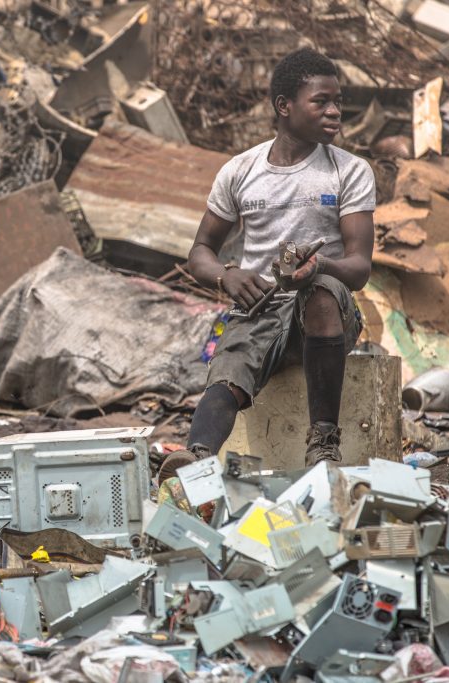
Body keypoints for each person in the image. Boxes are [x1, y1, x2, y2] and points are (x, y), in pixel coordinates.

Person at [159, 47, 376, 482]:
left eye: (338, 102)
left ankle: (323, 442)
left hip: (327, 310)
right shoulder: (240, 171)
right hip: (260, 308)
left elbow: (359, 268)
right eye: (321, 102)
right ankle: (195, 457)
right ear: (284, 106)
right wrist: (228, 274)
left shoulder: (349, 171)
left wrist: (317, 269)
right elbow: (200, 251)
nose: (335, 112)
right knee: (231, 366)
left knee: (320, 294)